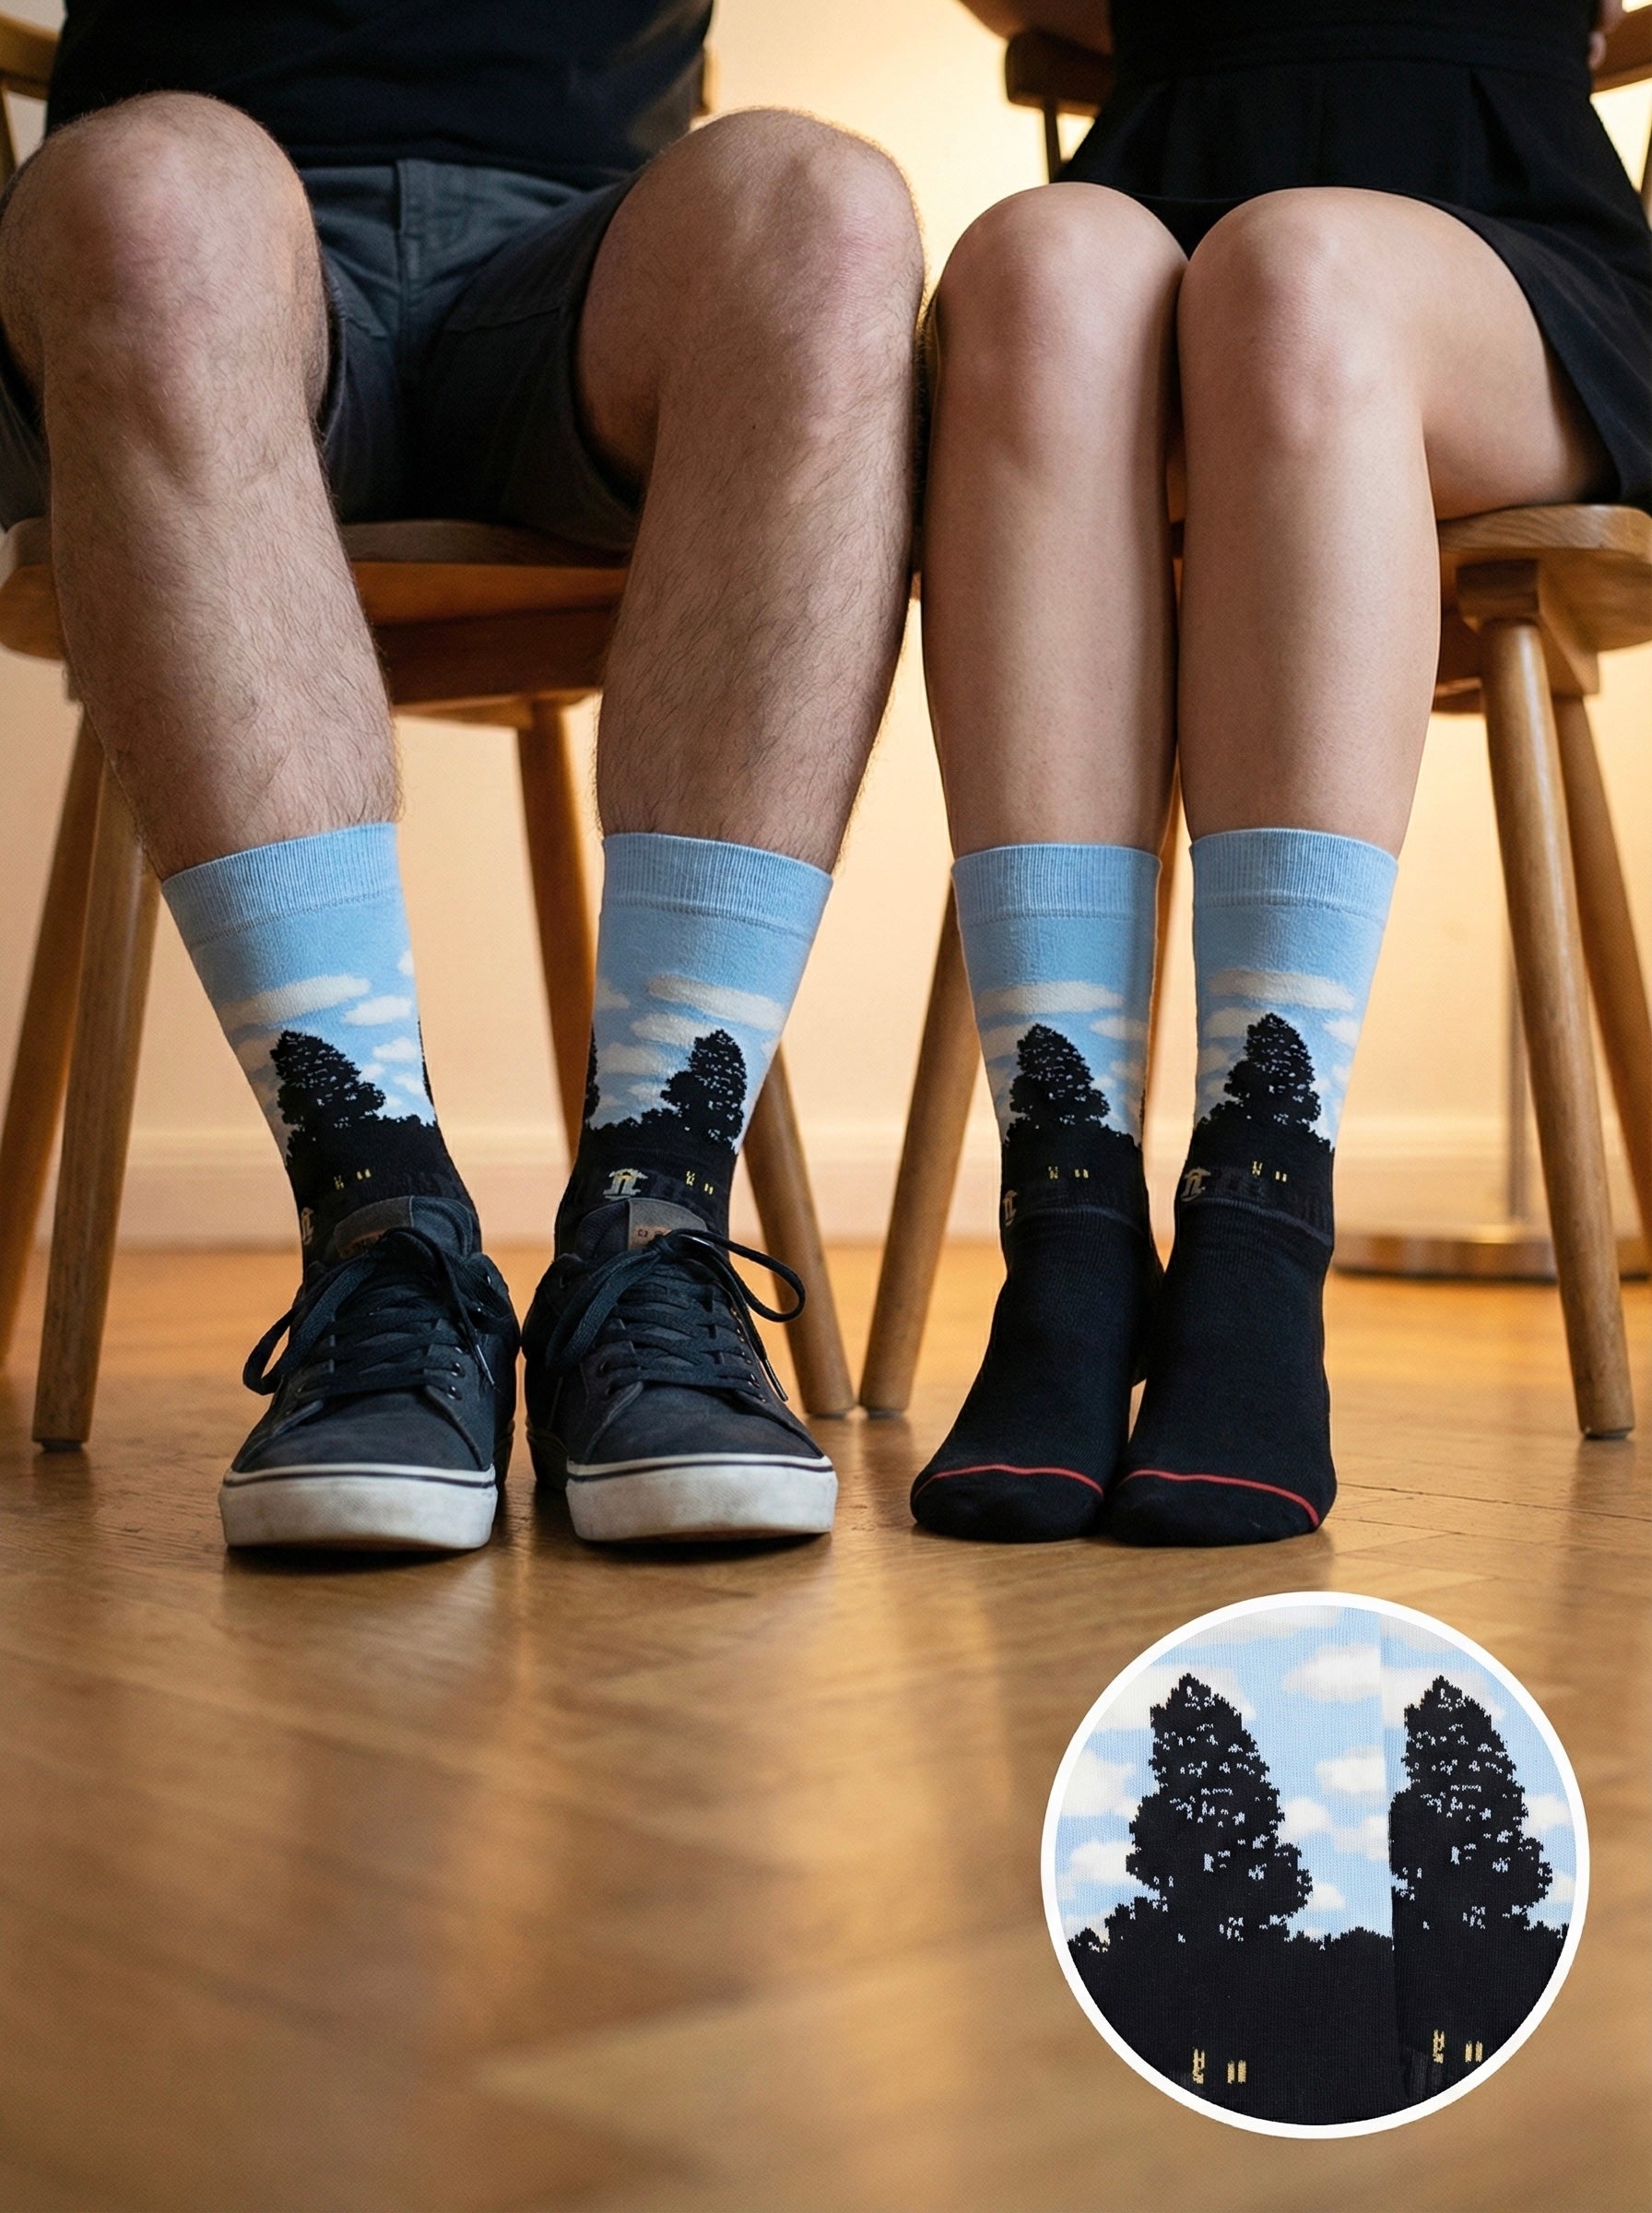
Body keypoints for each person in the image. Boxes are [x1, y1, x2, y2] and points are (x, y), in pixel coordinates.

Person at [0, 5, 923, 1552]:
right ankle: (382, 1230)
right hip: (187, 252)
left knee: (823, 210)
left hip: (589, 254)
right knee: (150, 198)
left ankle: (652, 1228)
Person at [914, 0, 1647, 1545]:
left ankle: (1259, 1215)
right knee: (1030, 268)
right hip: (1167, 140)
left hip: (1504, 204)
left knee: (1294, 272)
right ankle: (1068, 1223)